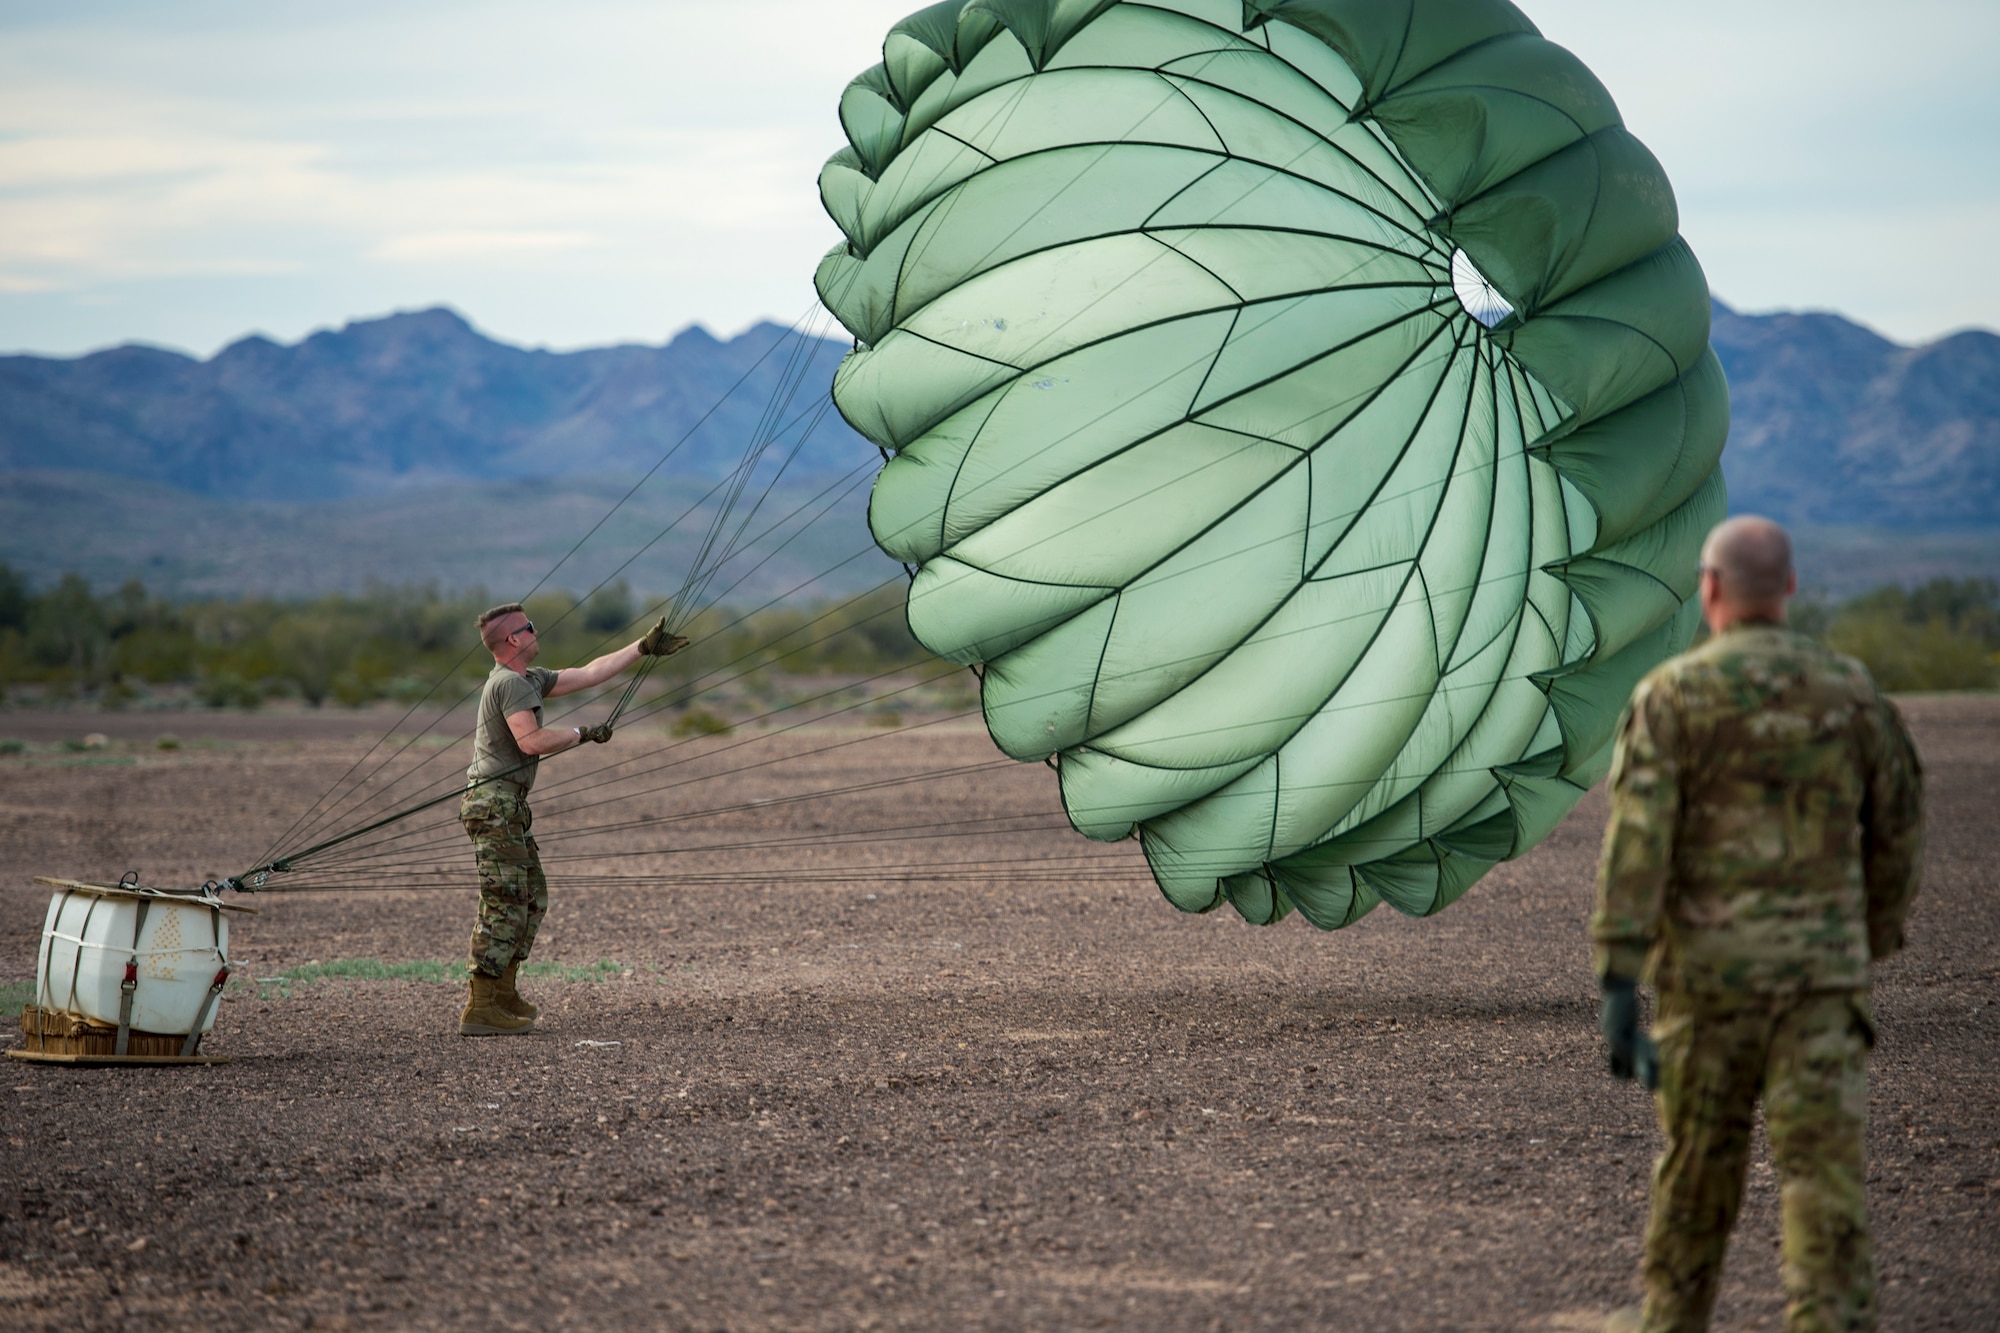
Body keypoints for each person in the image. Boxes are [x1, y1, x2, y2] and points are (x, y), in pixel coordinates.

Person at [1591, 515, 1923, 1333]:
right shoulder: (1851, 694)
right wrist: (1865, 941)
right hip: (1820, 987)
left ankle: (1672, 1320)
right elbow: (1900, 832)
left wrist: (1618, 980)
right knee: (1823, 1183)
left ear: (1707, 589)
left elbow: (1638, 844)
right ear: (1791, 589)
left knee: (1697, 1178)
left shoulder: (1671, 697)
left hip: (1709, 986)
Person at [458, 602, 687, 1036]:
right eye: (529, 627)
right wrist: (583, 734)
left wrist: (641, 648)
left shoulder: (528, 678)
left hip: (508, 805)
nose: (535, 629)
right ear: (513, 639)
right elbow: (531, 742)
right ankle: (481, 1005)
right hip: (493, 804)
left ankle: (503, 992)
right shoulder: (509, 684)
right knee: (504, 901)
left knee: (529, 899)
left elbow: (590, 672)